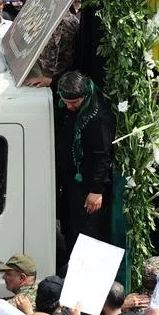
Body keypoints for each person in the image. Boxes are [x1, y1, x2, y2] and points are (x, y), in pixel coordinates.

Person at [56, 71, 114, 245]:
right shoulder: (72, 107)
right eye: (65, 102)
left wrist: (96, 190)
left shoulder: (98, 117)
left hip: (87, 186)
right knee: (69, 225)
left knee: (86, 233)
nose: (68, 107)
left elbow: (102, 155)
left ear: (85, 95)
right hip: (71, 182)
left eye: (74, 103)